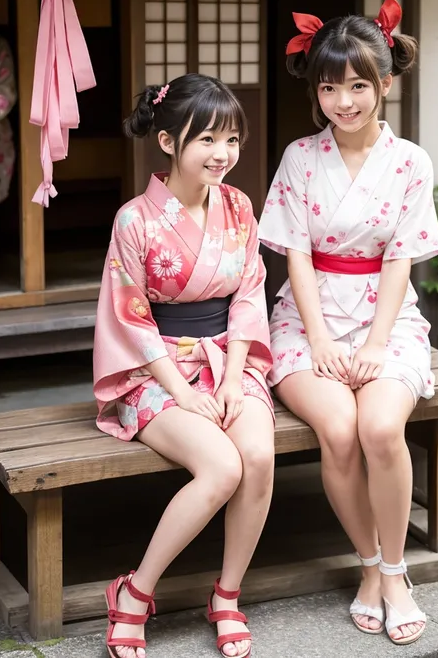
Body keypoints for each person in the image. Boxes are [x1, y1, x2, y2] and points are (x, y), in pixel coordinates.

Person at [258, 0, 438, 646]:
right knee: (338, 429)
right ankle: (369, 567)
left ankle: (395, 573)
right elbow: (297, 258)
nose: (343, 101)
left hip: (385, 318)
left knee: (380, 426)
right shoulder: (300, 159)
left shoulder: (410, 163)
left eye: (358, 86)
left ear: (384, 84)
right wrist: (319, 339)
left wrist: (370, 343)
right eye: (330, 86)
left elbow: (400, 259)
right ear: (317, 90)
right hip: (305, 320)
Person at [93, 74, 275, 658]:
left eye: (232, 140)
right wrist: (183, 390)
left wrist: (231, 377)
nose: (222, 154)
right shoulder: (135, 220)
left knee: (259, 456)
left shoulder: (240, 207)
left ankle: (226, 596)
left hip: (227, 360)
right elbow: (132, 316)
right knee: (221, 466)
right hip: (155, 370)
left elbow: (249, 294)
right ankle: (133, 593)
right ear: (169, 141)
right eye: (207, 140)